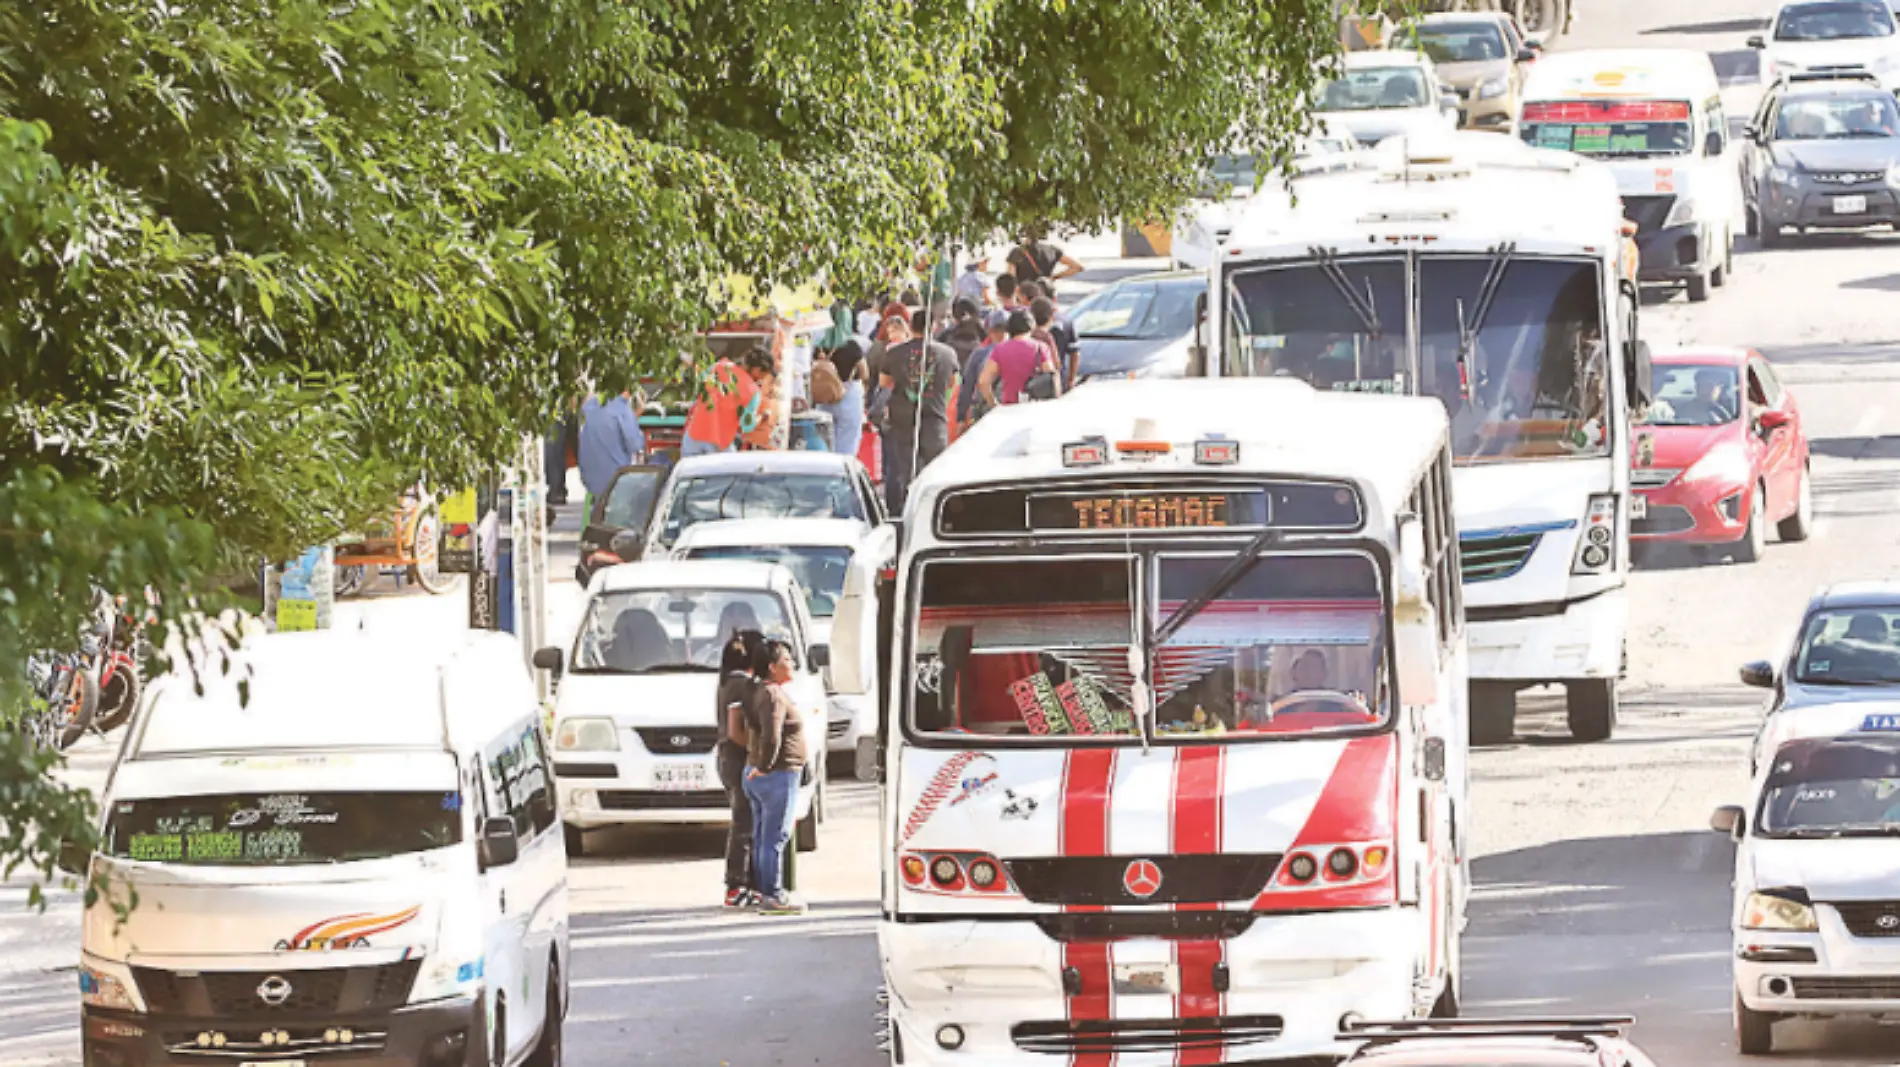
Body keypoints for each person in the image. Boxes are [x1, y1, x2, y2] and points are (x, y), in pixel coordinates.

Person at [744, 639, 808, 914]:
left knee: (764, 837)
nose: (791, 663)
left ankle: (765, 890)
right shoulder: (772, 696)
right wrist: (766, 766)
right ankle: (773, 895)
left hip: (766, 774)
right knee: (775, 837)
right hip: (776, 775)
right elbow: (772, 735)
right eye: (786, 659)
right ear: (772, 667)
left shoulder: (764, 691)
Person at [877, 311, 962, 514]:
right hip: (935, 416)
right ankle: (935, 512)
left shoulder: (894, 353)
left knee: (907, 472)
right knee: (936, 471)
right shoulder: (947, 353)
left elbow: (884, 382)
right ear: (932, 327)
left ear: (910, 326)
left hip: (902, 418)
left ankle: (910, 512)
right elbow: (953, 382)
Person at [716, 632, 763, 908]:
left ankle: (745, 882)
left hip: (725, 759)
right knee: (744, 824)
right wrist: (757, 752)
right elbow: (736, 730)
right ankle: (736, 884)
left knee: (745, 821)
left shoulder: (724, 683)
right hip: (737, 759)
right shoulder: (741, 686)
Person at [682, 348, 773, 458]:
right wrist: (762, 417)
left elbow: (698, 385)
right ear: (757, 370)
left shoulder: (719, 366)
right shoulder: (752, 392)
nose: (763, 379)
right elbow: (747, 426)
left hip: (693, 437)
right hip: (719, 444)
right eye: (764, 374)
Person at [578, 391, 645, 515]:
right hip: (616, 479)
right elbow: (635, 444)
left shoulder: (589, 406)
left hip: (590, 477)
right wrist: (635, 420)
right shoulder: (622, 410)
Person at [980, 309, 1059, 409]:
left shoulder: (1000, 349)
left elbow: (983, 381)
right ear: (1031, 327)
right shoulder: (1040, 347)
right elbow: (1051, 377)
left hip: (1010, 407)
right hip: (1035, 406)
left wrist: (994, 404)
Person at [817, 338, 868, 460]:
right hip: (849, 393)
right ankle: (842, 466)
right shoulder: (851, 345)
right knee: (848, 438)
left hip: (824, 395)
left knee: (824, 436)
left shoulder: (819, 345)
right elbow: (864, 372)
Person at [959, 310, 1010, 427]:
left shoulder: (980, 354)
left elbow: (967, 386)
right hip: (1011, 412)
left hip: (985, 414)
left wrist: (961, 417)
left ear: (990, 331)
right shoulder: (1020, 352)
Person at [1007, 228, 1086, 286]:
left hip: (1025, 297)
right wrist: (1054, 277)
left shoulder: (1017, 252)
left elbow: (1010, 278)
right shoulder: (1052, 250)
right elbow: (1078, 267)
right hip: (1046, 297)